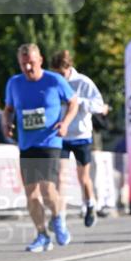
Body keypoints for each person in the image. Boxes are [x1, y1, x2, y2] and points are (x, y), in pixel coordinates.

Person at [3, 43, 78, 252]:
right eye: (23, 64)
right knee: (31, 193)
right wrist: (6, 123)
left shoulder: (54, 80)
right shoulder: (14, 83)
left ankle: (58, 218)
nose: (28, 68)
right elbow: (8, 109)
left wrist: (65, 123)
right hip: (27, 144)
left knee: (47, 188)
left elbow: (73, 102)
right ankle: (42, 235)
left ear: (40, 60)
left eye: (31, 63)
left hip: (50, 141)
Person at [51, 50, 109, 228]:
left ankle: (90, 204)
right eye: (56, 73)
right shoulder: (54, 82)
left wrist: (79, 101)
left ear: (69, 68)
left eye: (62, 73)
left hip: (81, 135)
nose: (60, 77)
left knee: (83, 178)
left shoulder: (83, 82)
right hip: (61, 136)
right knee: (60, 177)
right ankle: (59, 216)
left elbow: (99, 105)